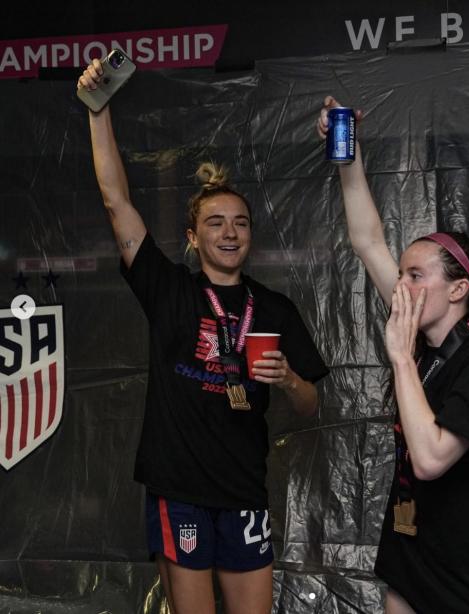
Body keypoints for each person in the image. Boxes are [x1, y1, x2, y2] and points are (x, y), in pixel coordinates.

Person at [78, 59, 329, 614]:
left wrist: (288, 378)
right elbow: (116, 200)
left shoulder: (276, 309)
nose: (229, 231)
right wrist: (98, 111)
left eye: (239, 222)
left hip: (243, 491)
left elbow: (310, 405)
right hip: (180, 489)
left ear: (251, 237)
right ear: (193, 237)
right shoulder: (169, 290)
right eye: (215, 222)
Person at [317, 97, 469, 613]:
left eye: (416, 276)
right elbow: (366, 241)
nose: (403, 286)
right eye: (402, 274)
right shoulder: (423, 337)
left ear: (457, 291)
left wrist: (401, 361)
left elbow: (431, 458)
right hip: (412, 548)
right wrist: (347, 155)